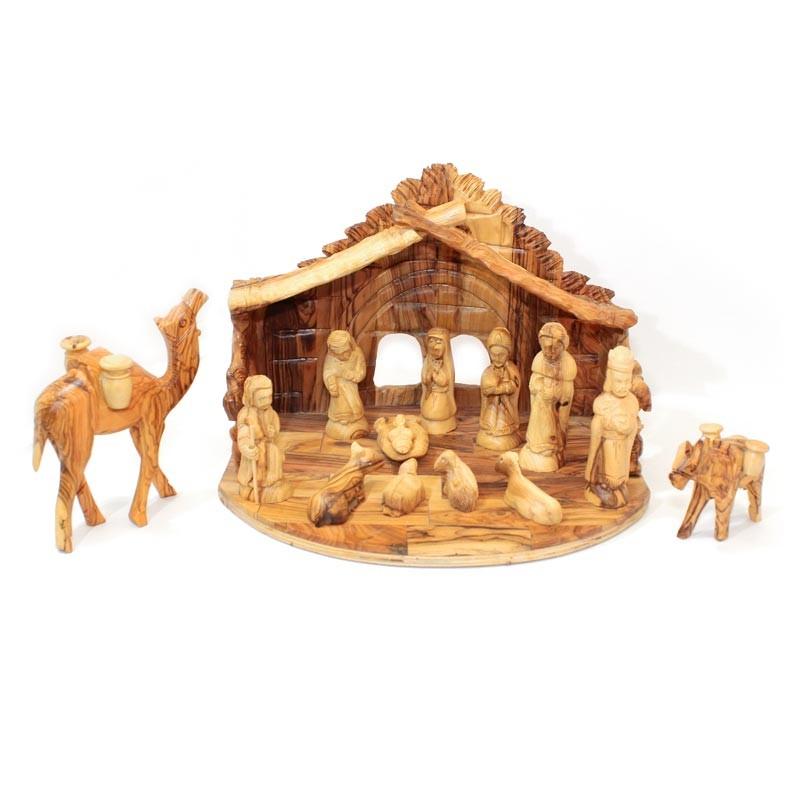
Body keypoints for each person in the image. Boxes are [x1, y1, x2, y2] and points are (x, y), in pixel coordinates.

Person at [584, 345, 641, 508]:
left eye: (627, 381)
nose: (623, 386)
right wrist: (589, 468)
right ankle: (600, 487)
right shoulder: (603, 403)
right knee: (606, 475)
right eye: (618, 381)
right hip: (607, 447)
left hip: (623, 447)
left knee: (619, 476)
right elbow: (595, 438)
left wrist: (629, 428)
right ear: (610, 379)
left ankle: (618, 487)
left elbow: (632, 433)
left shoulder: (632, 402)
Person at [520, 322, 576, 471]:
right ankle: (535, 446)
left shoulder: (567, 364)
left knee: (553, 431)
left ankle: (554, 450)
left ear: (563, 346)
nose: (549, 352)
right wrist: (539, 388)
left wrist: (555, 394)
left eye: (554, 348)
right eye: (545, 348)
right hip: (540, 408)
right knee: (537, 426)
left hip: (554, 412)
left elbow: (566, 396)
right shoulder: (539, 360)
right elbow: (533, 384)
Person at [237, 375, 292, 503]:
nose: (267, 401)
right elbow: (243, 433)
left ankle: (272, 481)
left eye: (269, 397)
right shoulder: (245, 414)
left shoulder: (270, 411)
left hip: (268, 443)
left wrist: (273, 432)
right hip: (254, 446)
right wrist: (246, 447)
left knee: (274, 453)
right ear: (252, 398)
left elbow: (274, 425)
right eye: (262, 398)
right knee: (257, 460)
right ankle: (253, 484)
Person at [477, 326, 522, 450]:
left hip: (505, 407)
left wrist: (499, 389)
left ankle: (504, 430)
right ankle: (489, 429)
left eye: (501, 355)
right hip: (492, 405)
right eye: (493, 354)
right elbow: (485, 388)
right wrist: (490, 389)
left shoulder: (511, 370)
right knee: (490, 420)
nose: (497, 358)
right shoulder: (488, 371)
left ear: (508, 353)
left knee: (503, 421)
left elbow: (514, 385)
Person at [323, 330, 369, 440]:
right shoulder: (330, 358)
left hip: (351, 387)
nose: (344, 356)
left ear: (350, 345)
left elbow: (361, 372)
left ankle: (355, 420)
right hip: (338, 390)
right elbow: (327, 372)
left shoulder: (357, 353)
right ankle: (341, 422)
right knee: (339, 405)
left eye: (346, 352)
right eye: (339, 354)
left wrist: (351, 375)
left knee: (354, 404)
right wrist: (331, 383)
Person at [420, 327, 457, 434]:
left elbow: (444, 381)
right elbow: (425, 380)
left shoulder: (446, 365)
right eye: (431, 341)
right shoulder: (428, 362)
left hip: (441, 396)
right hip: (431, 395)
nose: (434, 346)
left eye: (438, 342)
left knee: (437, 413)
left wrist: (436, 375)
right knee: (428, 412)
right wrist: (429, 375)